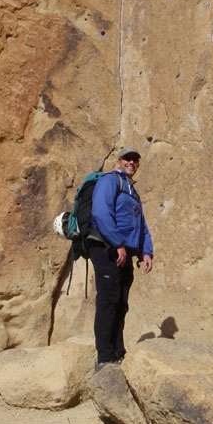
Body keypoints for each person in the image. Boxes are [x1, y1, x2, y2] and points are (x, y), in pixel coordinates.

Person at [88, 146, 153, 370]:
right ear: (118, 162)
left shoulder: (133, 193)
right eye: (127, 158)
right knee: (108, 302)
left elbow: (141, 225)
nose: (131, 162)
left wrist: (146, 251)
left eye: (135, 160)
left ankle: (118, 353)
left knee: (120, 304)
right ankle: (104, 358)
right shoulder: (110, 181)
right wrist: (117, 243)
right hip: (108, 250)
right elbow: (100, 213)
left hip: (123, 252)